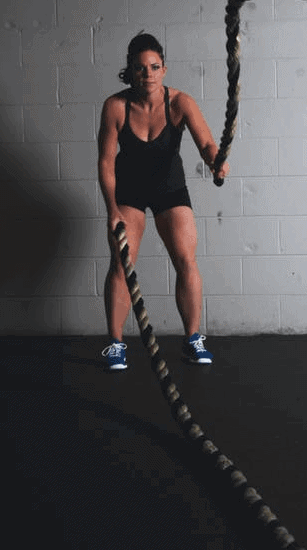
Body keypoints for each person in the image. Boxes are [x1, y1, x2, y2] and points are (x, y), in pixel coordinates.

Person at [97, 32, 230, 370]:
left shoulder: (180, 102)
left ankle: (193, 339)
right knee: (121, 264)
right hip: (129, 191)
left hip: (170, 190)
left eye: (155, 67)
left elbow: (206, 144)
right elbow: (106, 161)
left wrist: (216, 160)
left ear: (164, 70)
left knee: (187, 259)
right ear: (131, 70)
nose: (149, 74)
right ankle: (115, 344)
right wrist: (112, 210)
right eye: (141, 68)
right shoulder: (115, 107)